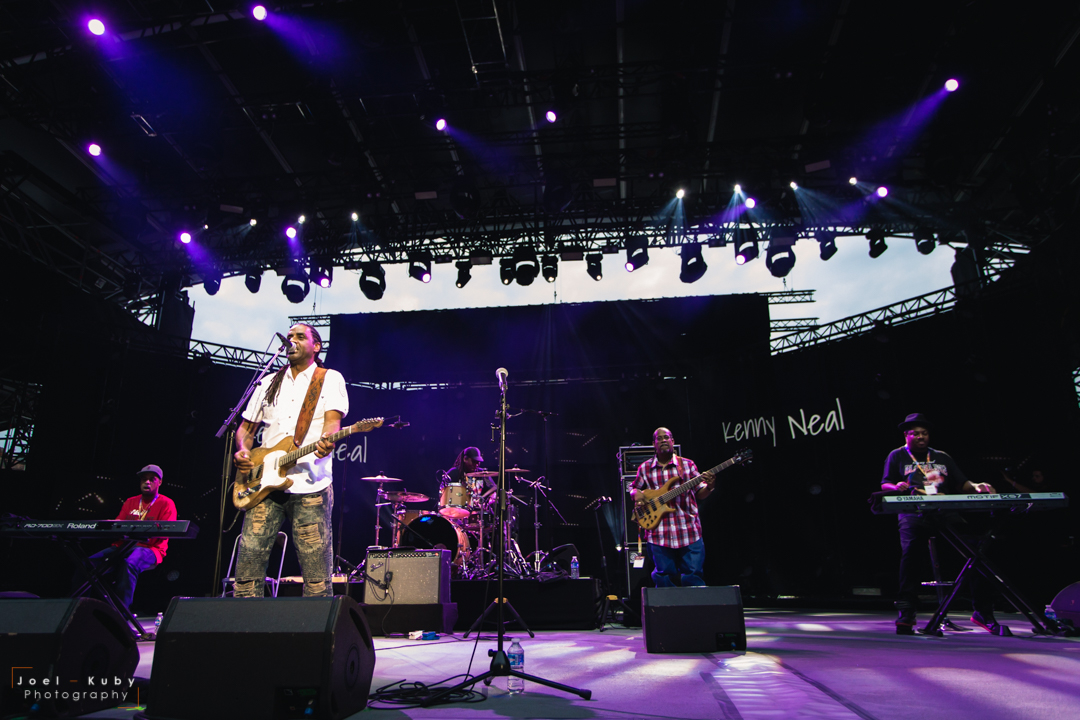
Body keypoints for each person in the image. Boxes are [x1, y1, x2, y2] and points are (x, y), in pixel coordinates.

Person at [232, 323, 348, 597]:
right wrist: (243, 450)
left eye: (299, 336)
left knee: (316, 574)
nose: (292, 340)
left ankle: (317, 623)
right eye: (289, 337)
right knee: (248, 563)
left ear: (316, 346)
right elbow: (246, 429)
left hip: (311, 485)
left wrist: (327, 442)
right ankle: (243, 620)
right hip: (263, 485)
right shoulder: (267, 382)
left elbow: (332, 423)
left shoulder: (329, 378)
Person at [881, 412, 1010, 636]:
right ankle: (907, 611)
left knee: (976, 552)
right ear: (906, 435)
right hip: (914, 512)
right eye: (915, 433)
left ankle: (983, 611)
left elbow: (962, 484)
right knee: (911, 554)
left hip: (944, 511)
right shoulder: (897, 455)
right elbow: (885, 484)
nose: (921, 437)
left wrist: (977, 486)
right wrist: (896, 487)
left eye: (924, 433)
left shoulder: (941, 456)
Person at [77, 464, 177, 612]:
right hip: (122, 547)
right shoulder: (131, 501)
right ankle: (79, 610)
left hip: (150, 549)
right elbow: (118, 524)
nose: (147, 482)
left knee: (129, 562)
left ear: (159, 482)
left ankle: (121, 614)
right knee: (86, 565)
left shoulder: (166, 503)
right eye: (144, 479)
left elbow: (167, 531)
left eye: (152, 479)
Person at [630, 427, 715, 587]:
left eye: (666, 437)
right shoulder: (645, 468)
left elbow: (700, 493)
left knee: (693, 577)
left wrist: (710, 486)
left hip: (688, 530)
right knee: (663, 578)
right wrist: (636, 493)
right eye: (659, 438)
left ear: (672, 441)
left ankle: (695, 604)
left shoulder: (687, 465)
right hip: (659, 532)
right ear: (654, 444)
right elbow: (634, 488)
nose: (663, 440)